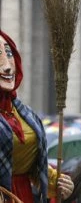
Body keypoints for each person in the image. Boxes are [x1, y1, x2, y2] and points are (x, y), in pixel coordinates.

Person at [0, 30, 74, 202]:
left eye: (9, 54)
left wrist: (58, 183)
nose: (8, 66)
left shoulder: (25, 113)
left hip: (22, 195)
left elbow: (33, 165)